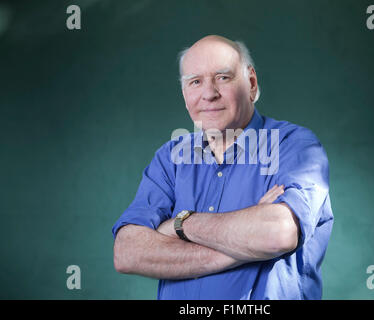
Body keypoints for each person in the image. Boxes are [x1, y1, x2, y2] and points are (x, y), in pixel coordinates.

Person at [112, 35, 333, 300]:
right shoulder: (171, 158)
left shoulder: (294, 146)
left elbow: (277, 235)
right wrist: (245, 245)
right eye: (195, 82)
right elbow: (128, 253)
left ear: (251, 83)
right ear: (185, 96)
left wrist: (179, 224)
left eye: (223, 77)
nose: (209, 93)